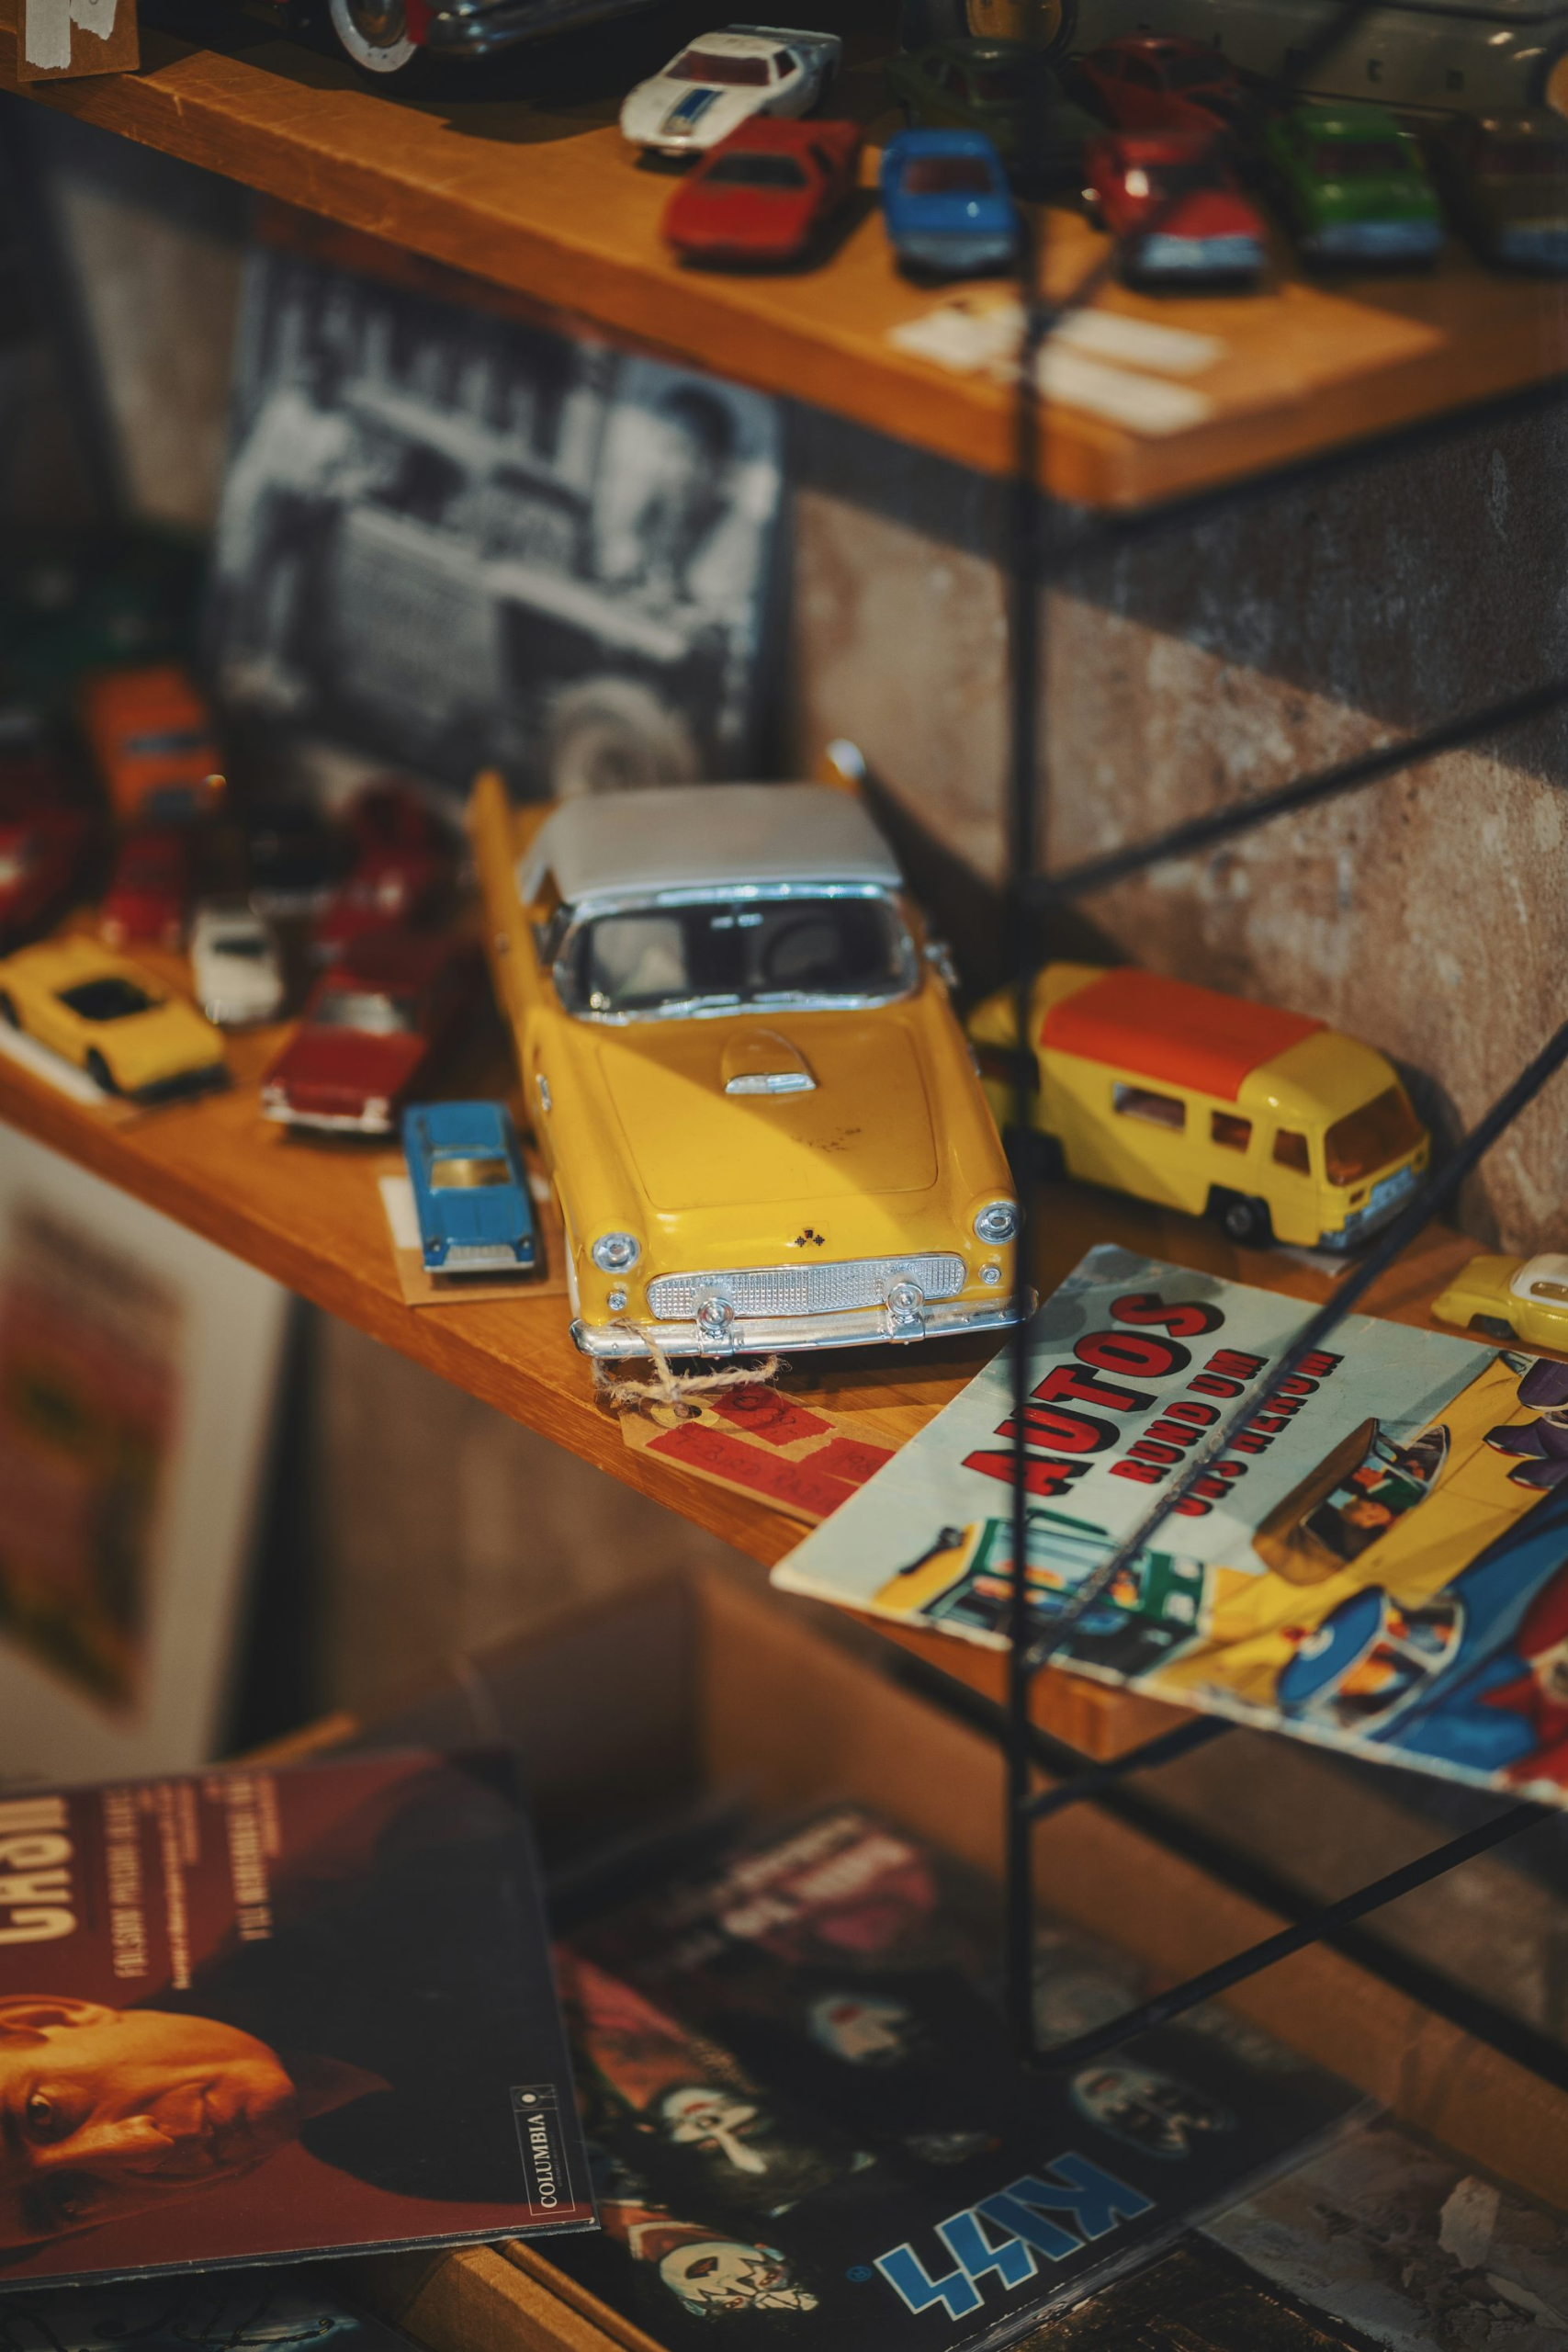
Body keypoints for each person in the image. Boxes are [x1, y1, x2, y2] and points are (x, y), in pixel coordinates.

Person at [0, 1758, 566, 2258]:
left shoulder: (358, 1878)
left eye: (44, 2111)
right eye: (68, 2200)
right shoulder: (393, 2157)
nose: (147, 2147)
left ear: (46, 2019)